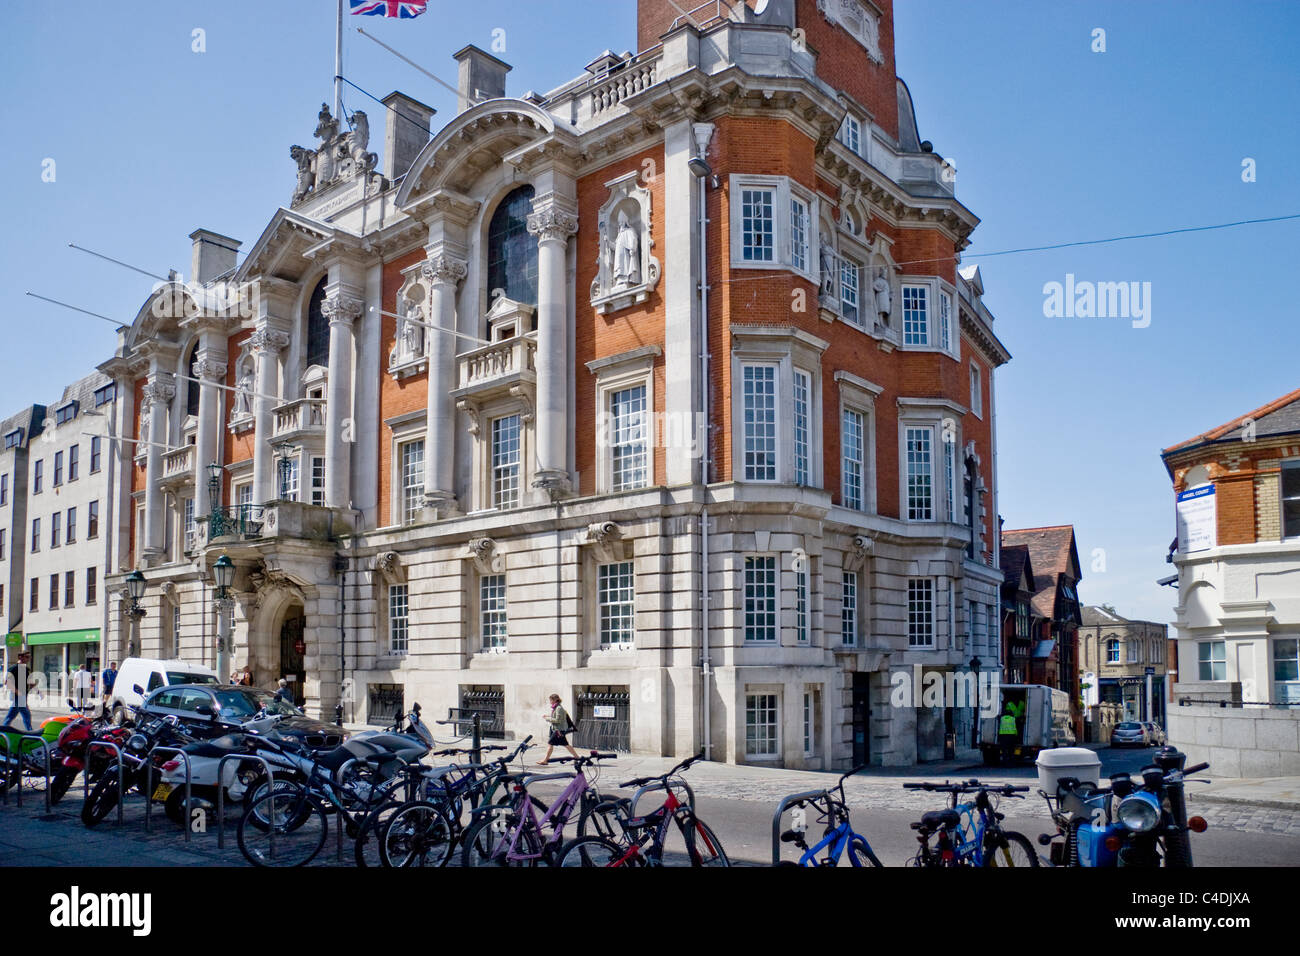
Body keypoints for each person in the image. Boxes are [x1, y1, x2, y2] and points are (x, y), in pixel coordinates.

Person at [537, 693, 579, 765]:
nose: (550, 701)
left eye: (551, 700)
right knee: (566, 745)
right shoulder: (556, 707)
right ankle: (577, 757)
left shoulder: (559, 708)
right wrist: (548, 716)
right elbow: (556, 717)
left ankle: (545, 760)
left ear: (555, 700)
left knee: (550, 744)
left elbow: (557, 720)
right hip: (555, 729)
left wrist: (547, 718)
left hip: (558, 730)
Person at [4, 652, 36, 731]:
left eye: (29, 657)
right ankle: (30, 732)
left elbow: (29, 682)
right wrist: (18, 692)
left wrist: (33, 685)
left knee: (11, 716)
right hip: (18, 695)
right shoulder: (14, 668)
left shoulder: (26, 669)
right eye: (27, 657)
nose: (29, 659)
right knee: (26, 714)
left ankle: (3, 729)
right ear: (20, 657)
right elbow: (7, 682)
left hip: (23, 695)